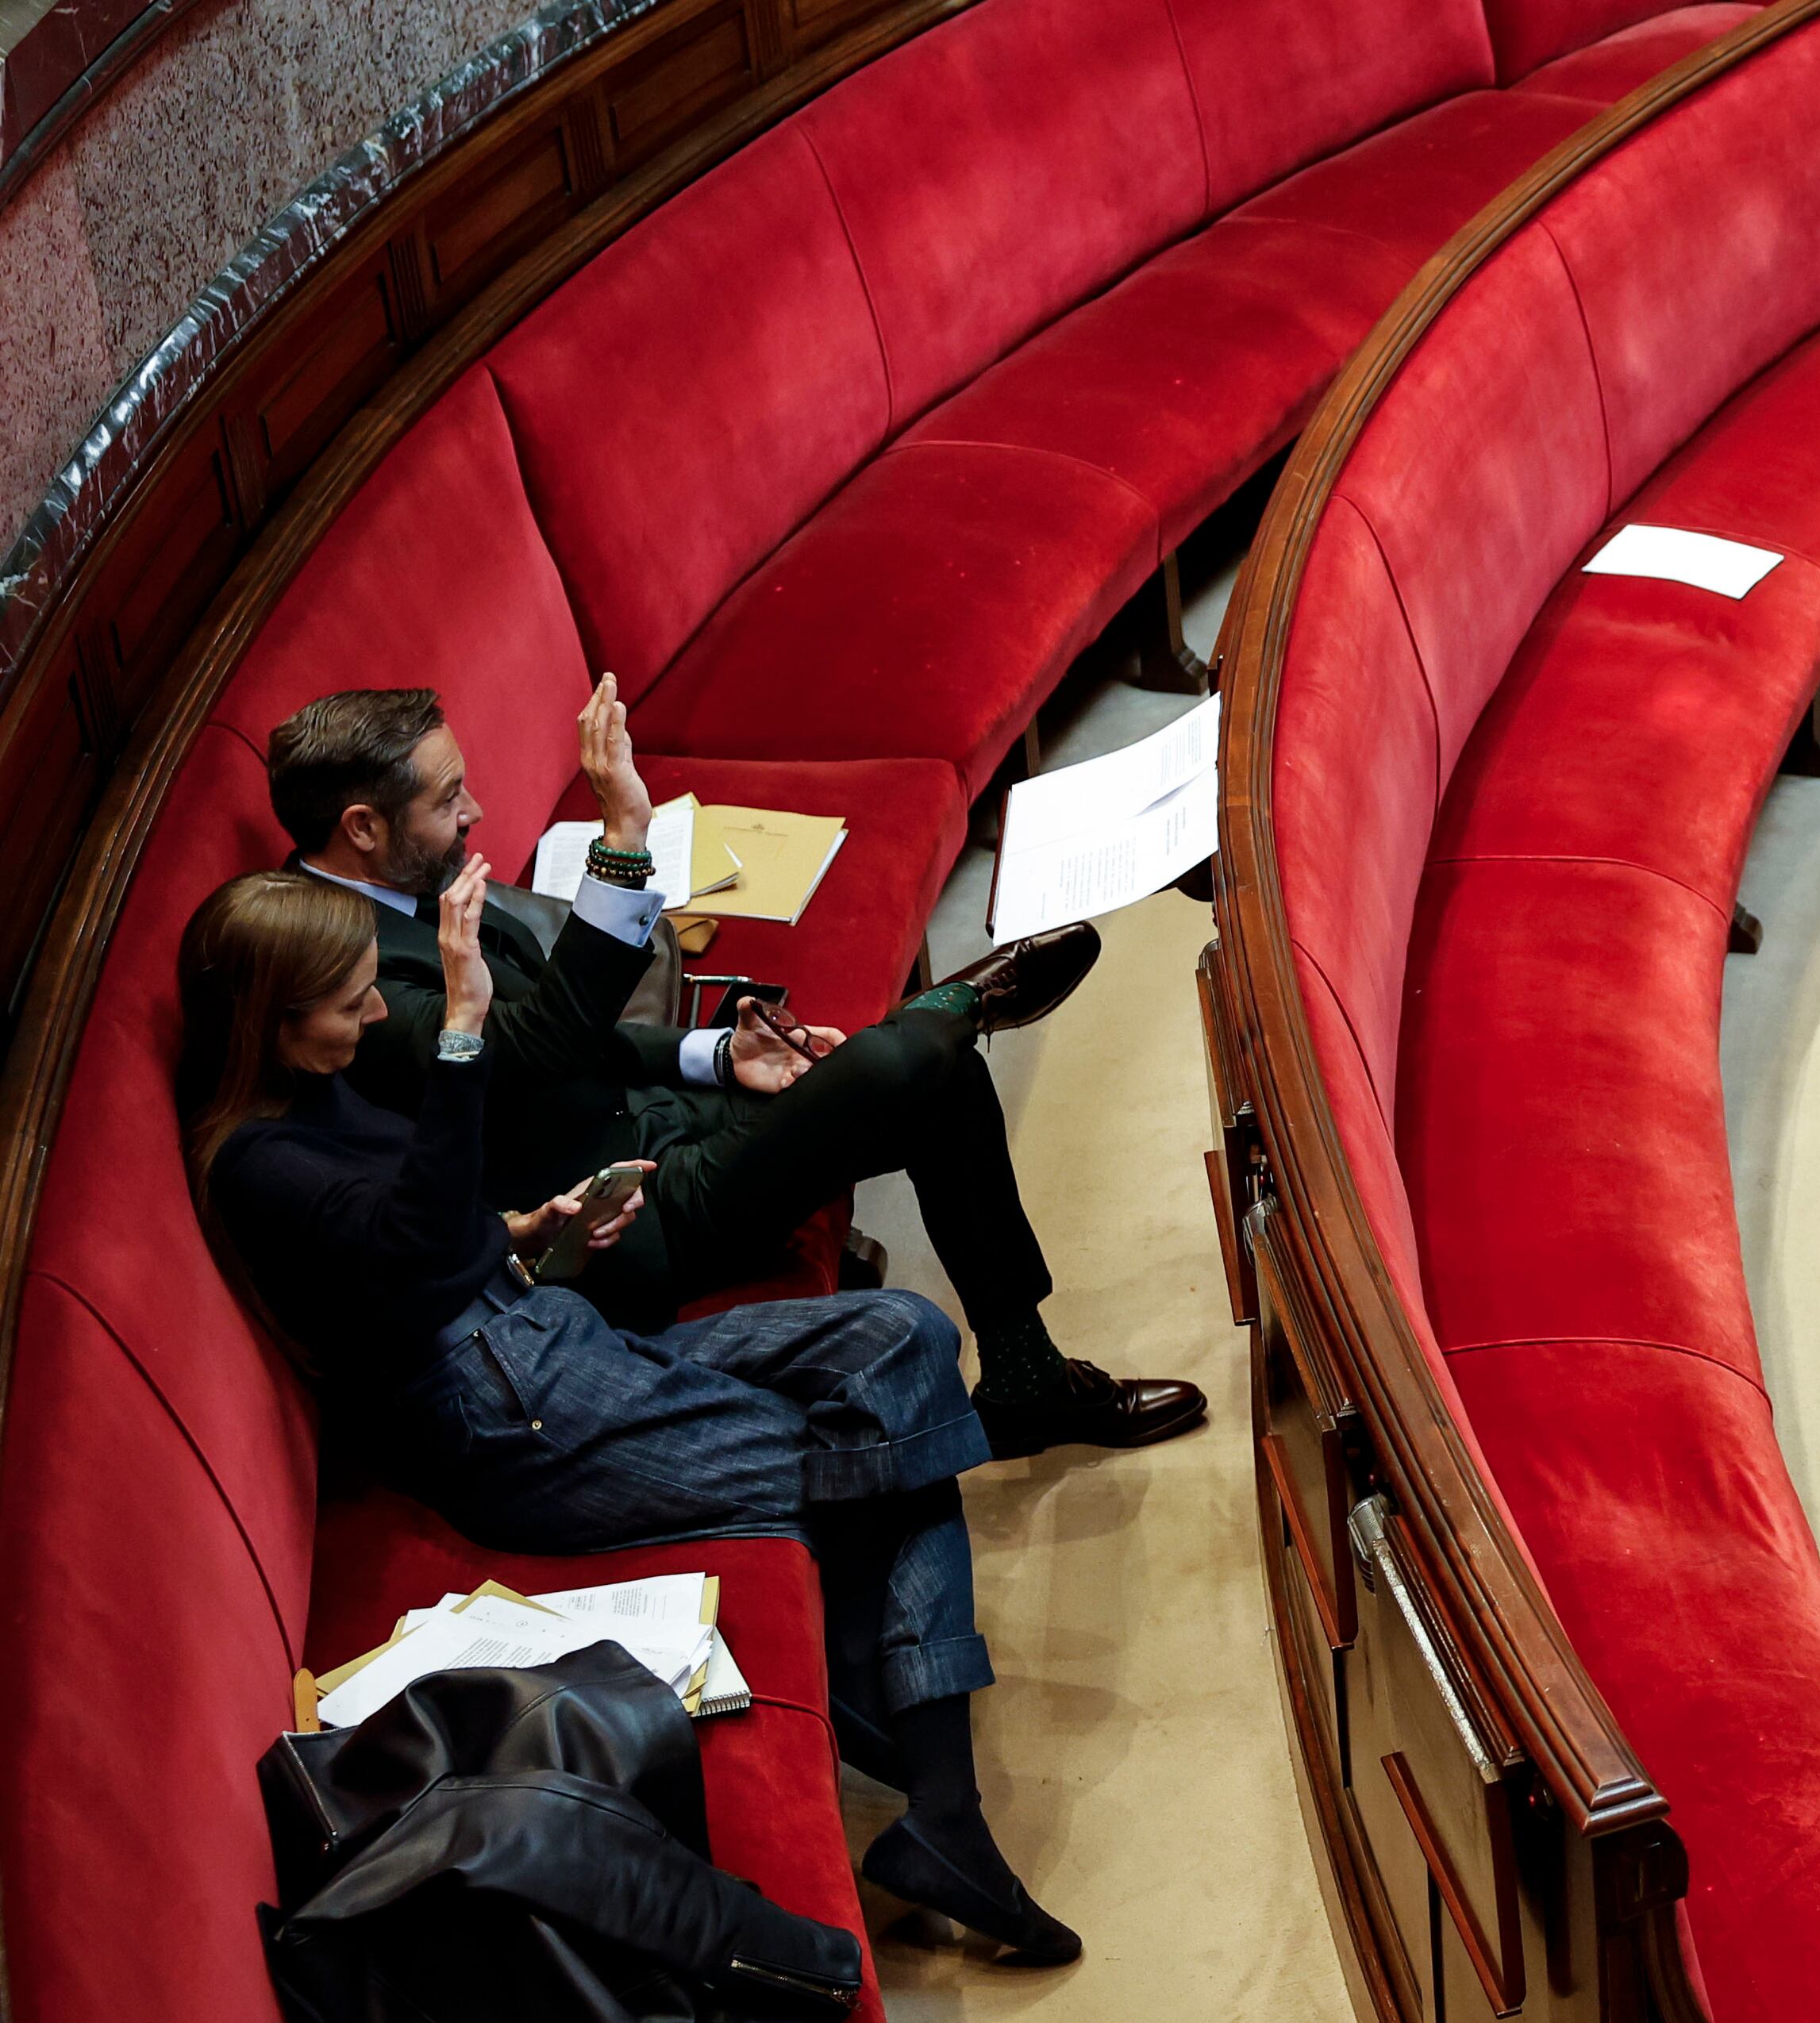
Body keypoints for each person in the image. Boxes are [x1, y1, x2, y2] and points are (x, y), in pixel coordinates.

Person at [178, 864, 1081, 1965]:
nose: (375, 1016)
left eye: (379, 990)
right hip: (512, 1416)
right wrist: (461, 1027)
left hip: (543, 1329)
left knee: (901, 1336)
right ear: (268, 1025)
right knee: (887, 1462)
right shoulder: (255, 1162)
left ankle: (889, 1713)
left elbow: (415, 1244)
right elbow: (403, 1244)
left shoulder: (318, 1087)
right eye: (352, 1001)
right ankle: (946, 1803)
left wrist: (524, 1231)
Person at [268, 682, 1202, 1460]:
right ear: (360, 826)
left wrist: (713, 1052)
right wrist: (623, 836)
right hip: (618, 1221)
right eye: (447, 799)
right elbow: (537, 1048)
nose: (474, 812)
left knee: (939, 1080)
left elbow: (563, 1032)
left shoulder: (414, 886)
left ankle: (1026, 1374)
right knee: (908, 1056)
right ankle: (956, 1007)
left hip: (660, 1120)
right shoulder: (350, 975)